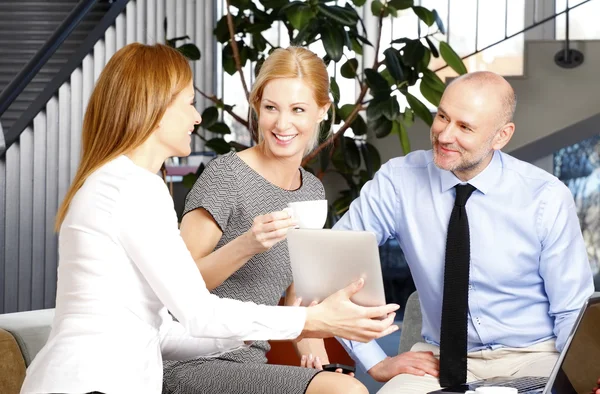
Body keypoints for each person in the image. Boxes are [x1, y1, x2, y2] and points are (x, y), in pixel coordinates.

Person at [18, 43, 400, 394]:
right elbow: (196, 311)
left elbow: (158, 328)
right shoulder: (132, 189)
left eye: (298, 109)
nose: (197, 117)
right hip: (91, 382)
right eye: (187, 103)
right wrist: (312, 320)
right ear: (154, 107)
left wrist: (264, 332)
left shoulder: (130, 184)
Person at [332, 71, 595, 394]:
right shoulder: (398, 182)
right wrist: (375, 360)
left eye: (465, 127)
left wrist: (588, 376)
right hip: (436, 360)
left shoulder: (545, 196)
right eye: (443, 116)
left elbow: (573, 310)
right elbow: (330, 265)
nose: (444, 135)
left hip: (534, 356)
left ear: (501, 136)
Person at [162, 46, 376, 394]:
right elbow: (177, 286)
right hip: (187, 361)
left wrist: (317, 359)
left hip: (249, 363)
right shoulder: (226, 176)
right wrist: (248, 244)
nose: (282, 123)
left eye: (298, 110)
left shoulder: (312, 192)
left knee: (341, 385)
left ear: (322, 110)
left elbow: (297, 297)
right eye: (271, 108)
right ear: (257, 106)